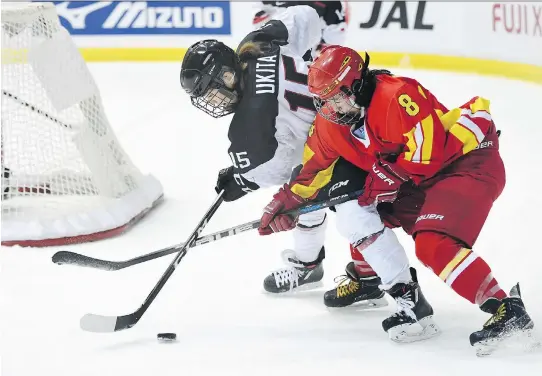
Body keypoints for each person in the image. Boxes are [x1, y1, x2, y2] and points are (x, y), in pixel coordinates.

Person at [257, 45, 535, 353]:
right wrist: (287, 202)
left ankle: (506, 309)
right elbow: (313, 171)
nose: (330, 107)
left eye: (336, 96)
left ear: (356, 84)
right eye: (324, 100)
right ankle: (367, 280)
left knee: (433, 244)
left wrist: (388, 175)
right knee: (360, 212)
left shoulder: (398, 95)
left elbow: (428, 152)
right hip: (418, 180)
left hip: (464, 164)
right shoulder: (331, 123)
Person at [179, 6, 413, 313]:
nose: (215, 102)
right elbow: (308, 17)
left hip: (344, 143)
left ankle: (397, 292)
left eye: (213, 93)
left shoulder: (251, 123)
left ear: (226, 74)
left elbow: (275, 169)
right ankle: (312, 266)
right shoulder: (256, 46)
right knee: (308, 188)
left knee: (351, 213)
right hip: (353, 105)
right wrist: (273, 31)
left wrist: (244, 180)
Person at [251, 1, 348, 61]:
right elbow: (258, 26)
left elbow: (335, 41)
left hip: (310, 63)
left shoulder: (332, 4)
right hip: (275, 58)